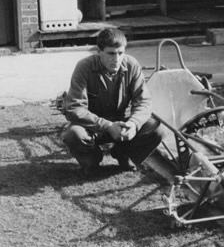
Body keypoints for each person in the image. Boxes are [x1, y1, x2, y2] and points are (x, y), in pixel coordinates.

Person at [62, 28, 163, 175]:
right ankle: (92, 161)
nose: (116, 59)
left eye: (120, 53)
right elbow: (75, 108)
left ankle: (124, 155)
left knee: (156, 128)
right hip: (92, 126)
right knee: (73, 134)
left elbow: (143, 102)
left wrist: (133, 124)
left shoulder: (131, 65)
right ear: (99, 51)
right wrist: (108, 126)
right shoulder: (84, 67)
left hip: (121, 123)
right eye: (111, 53)